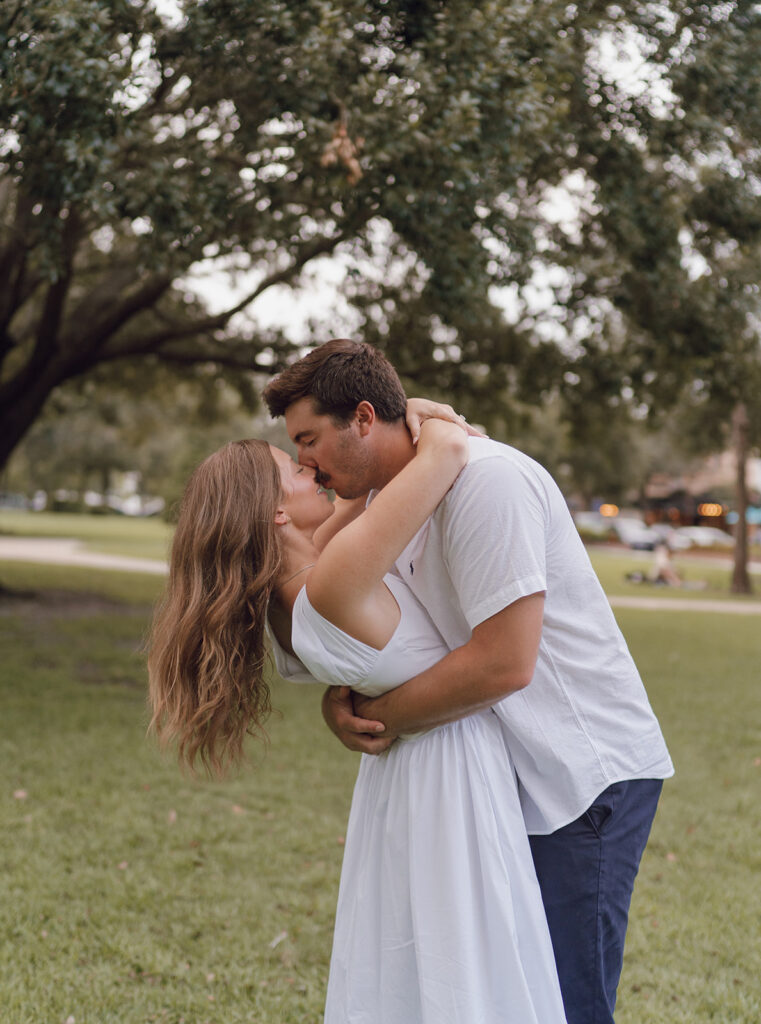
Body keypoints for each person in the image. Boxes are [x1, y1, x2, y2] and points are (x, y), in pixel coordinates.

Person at [262, 338, 675, 1024]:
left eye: (308, 440)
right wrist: (346, 706)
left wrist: (382, 713)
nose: (304, 462)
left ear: (363, 418)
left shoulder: (486, 482)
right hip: (502, 770)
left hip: (580, 773)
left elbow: (503, 662)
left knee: (566, 1002)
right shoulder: (386, 501)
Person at [147, 420, 568, 1024]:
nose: (310, 468)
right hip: (449, 768)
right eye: (293, 469)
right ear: (275, 515)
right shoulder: (336, 579)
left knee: (415, 960)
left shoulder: (289, 603)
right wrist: (412, 412)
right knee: (469, 957)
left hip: (402, 774)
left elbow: (351, 501)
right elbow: (446, 449)